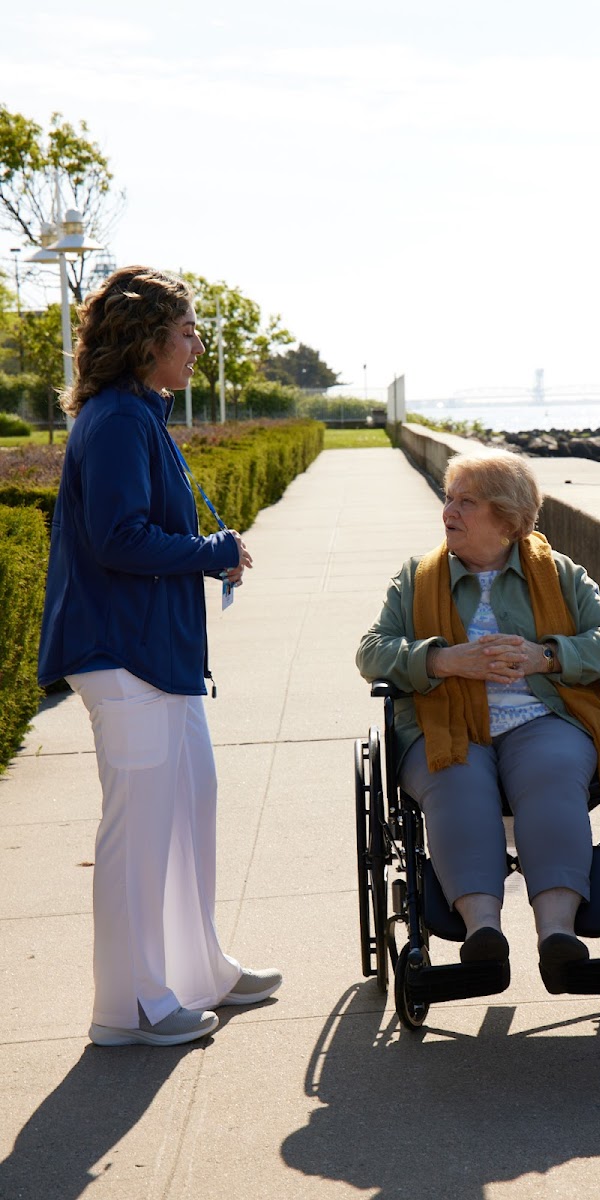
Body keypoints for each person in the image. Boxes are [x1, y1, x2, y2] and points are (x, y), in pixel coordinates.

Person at [38, 266, 281, 1046]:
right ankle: (130, 1008)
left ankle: (198, 971)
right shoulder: (115, 421)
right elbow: (118, 539)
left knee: (187, 812)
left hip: (154, 656)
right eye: (186, 332)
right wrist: (212, 551)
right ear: (147, 342)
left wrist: (209, 551)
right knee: (140, 832)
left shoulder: (138, 413)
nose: (198, 345)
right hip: (124, 656)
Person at [356, 448, 600, 993]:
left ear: (507, 520)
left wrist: (548, 657)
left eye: (466, 502)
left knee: (553, 776)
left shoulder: (556, 574)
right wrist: (439, 659)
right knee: (456, 783)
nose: (449, 512)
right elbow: (372, 651)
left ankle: (557, 935)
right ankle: (483, 934)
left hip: (542, 716)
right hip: (446, 725)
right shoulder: (417, 578)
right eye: (448, 499)